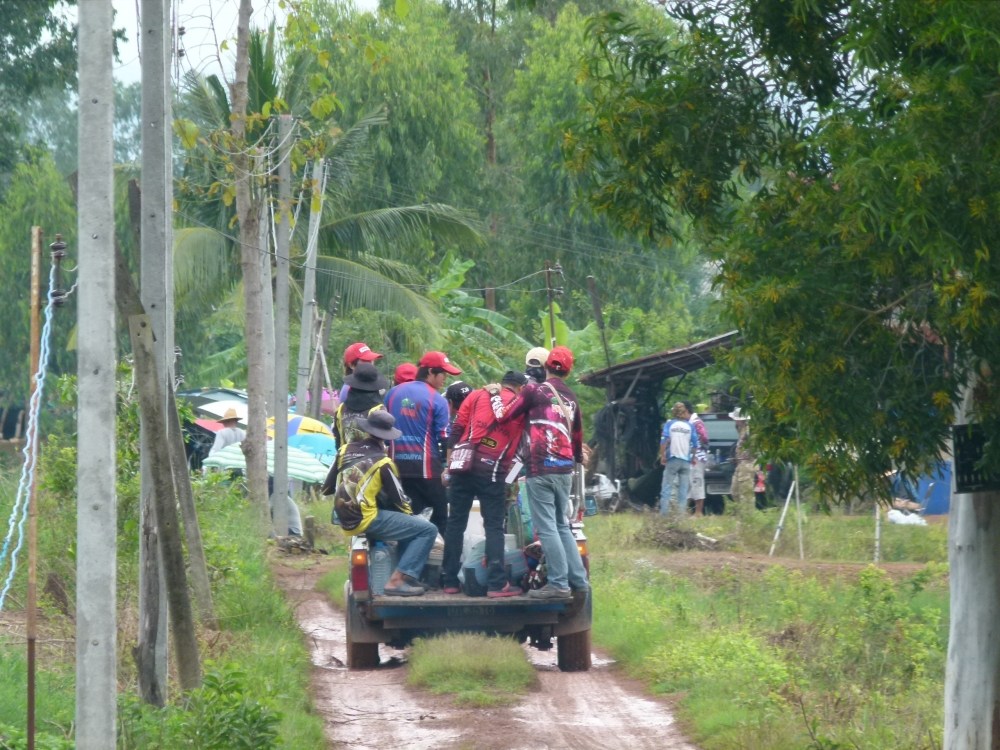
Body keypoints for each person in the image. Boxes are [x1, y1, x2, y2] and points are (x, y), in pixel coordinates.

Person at [499, 346, 589, 600]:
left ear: (545, 365)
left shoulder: (533, 391)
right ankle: (579, 581)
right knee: (563, 526)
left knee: (547, 527)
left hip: (541, 467)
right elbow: (578, 438)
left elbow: (506, 415)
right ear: (568, 372)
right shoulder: (571, 398)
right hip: (565, 469)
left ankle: (559, 584)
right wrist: (576, 460)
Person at [322, 410, 437, 597]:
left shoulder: (344, 450)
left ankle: (406, 574)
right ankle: (397, 581)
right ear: (387, 437)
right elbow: (400, 502)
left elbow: (327, 488)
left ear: (367, 430)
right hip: (366, 518)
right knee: (426, 530)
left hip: (344, 518)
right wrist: (411, 517)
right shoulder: (383, 462)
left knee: (409, 527)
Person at [441, 371, 529, 598]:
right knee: (493, 527)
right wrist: (511, 479)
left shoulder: (477, 395)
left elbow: (457, 427)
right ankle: (496, 584)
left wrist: (450, 464)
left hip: (463, 465)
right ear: (520, 387)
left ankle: (449, 581)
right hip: (493, 471)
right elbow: (523, 447)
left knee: (455, 523)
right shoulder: (521, 405)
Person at [383, 351, 462, 536]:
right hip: (427, 470)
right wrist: (448, 466)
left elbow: (385, 432)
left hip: (397, 469)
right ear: (431, 373)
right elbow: (444, 437)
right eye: (443, 374)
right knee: (440, 516)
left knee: (407, 518)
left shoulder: (392, 394)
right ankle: (436, 561)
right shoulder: (438, 399)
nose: (445, 379)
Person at [333, 362, 387, 447]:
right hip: (371, 459)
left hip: (345, 458)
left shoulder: (341, 409)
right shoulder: (379, 411)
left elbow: (338, 442)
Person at [658, 402, 698, 517]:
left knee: (667, 488)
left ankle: (664, 515)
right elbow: (695, 444)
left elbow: (664, 441)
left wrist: (662, 455)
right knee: (683, 490)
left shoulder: (669, 424)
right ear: (684, 412)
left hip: (673, 459)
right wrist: (693, 457)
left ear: (674, 412)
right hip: (685, 460)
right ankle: (680, 516)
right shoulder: (690, 426)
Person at [684, 401, 710, 517]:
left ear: (687, 411)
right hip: (691, 457)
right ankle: (688, 511)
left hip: (697, 457)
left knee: (697, 482)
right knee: (690, 483)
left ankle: (698, 512)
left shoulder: (696, 423)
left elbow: (704, 438)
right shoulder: (690, 422)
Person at [729, 407, 755, 511]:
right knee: (735, 490)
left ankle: (748, 516)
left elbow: (755, 446)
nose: (734, 420)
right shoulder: (740, 429)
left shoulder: (749, 430)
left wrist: (747, 455)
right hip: (740, 464)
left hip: (747, 464)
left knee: (746, 492)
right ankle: (741, 513)